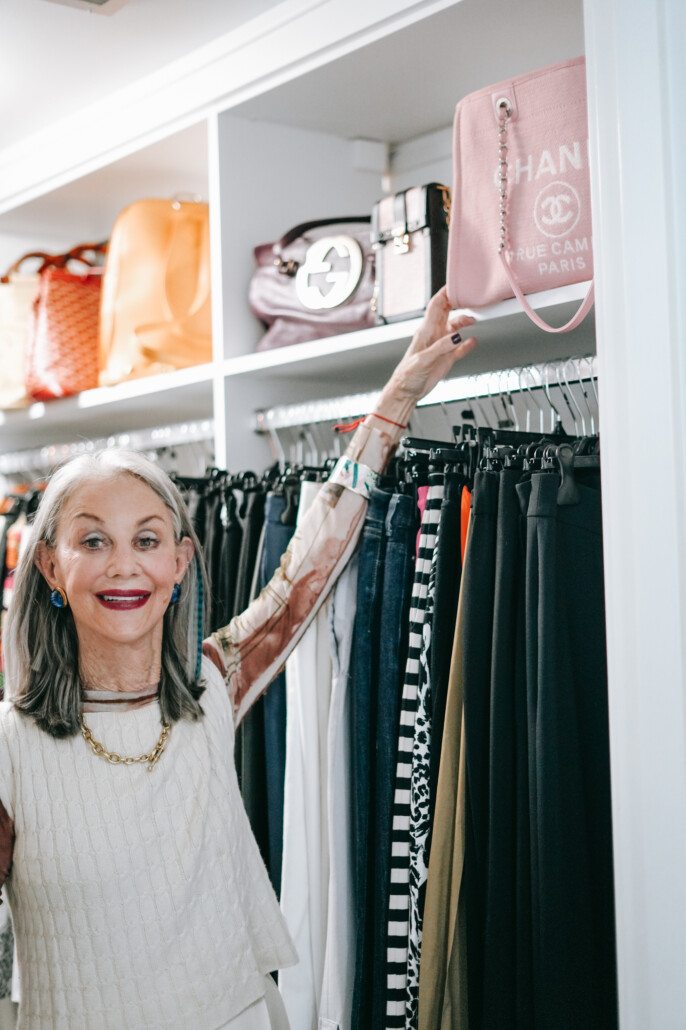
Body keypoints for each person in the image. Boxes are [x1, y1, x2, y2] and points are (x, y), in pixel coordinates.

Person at [0, 288, 476, 1030]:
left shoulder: (210, 687)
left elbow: (304, 570)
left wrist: (401, 392)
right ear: (51, 571)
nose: (125, 566)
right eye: (93, 541)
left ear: (182, 561)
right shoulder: (10, 747)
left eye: (148, 540)